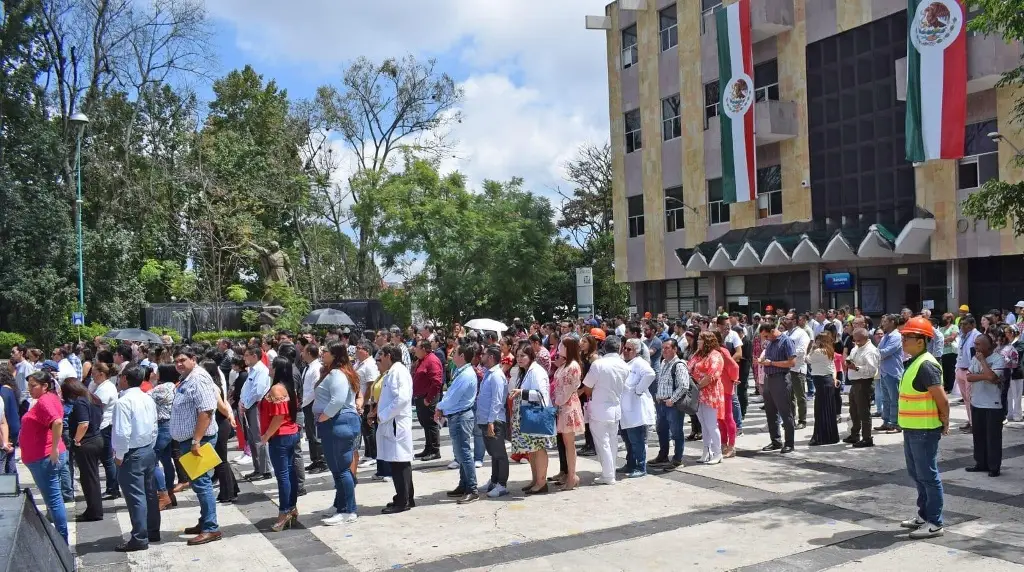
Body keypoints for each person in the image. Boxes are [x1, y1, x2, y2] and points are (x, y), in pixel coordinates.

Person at [897, 316, 950, 539]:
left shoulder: (926, 364)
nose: (903, 341)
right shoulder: (915, 361)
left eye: (906, 337)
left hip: (925, 430)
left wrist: (945, 420)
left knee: (928, 475)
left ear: (921, 341)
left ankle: (935, 522)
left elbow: (942, 399)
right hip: (912, 428)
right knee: (917, 474)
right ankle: (924, 514)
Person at [171, 348, 222, 546]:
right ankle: (205, 522)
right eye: (176, 361)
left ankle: (211, 527)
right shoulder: (188, 377)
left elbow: (206, 411)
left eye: (182, 360)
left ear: (193, 359)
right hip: (190, 441)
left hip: (199, 441)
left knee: (202, 484)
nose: (179, 364)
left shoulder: (198, 378)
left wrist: (196, 440)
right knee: (200, 483)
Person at [111, 366, 160, 551]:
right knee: (148, 493)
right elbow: (154, 425)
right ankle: (152, 530)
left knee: (136, 497)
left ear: (124, 378)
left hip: (133, 453)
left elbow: (122, 433)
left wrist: (119, 455)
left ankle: (139, 537)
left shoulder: (123, 402)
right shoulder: (147, 398)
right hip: (147, 448)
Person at [315, 343, 361, 525]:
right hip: (336, 422)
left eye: (325, 351)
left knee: (342, 469)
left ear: (334, 355)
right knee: (337, 468)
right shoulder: (337, 372)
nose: (322, 353)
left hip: (338, 422)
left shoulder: (337, 374)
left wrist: (323, 417)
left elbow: (337, 400)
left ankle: (348, 510)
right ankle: (339, 504)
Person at [21, 371, 69, 542]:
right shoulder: (49, 398)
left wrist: (54, 448)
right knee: (54, 500)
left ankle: (63, 541)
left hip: (44, 457)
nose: (30, 389)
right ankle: (56, 534)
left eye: (33, 386)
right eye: (29, 386)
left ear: (45, 386)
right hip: (44, 456)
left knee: (55, 500)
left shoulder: (45, 401)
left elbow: (57, 422)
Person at [262, 357, 303, 531]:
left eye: (272, 366)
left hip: (281, 436)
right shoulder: (286, 387)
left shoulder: (277, 389)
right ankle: (291, 507)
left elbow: (279, 417)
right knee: (290, 473)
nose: (269, 368)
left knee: (283, 475)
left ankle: (284, 511)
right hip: (290, 433)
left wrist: (266, 436)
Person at [436, 344, 481, 503]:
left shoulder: (466, 374)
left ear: (462, 356)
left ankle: (472, 489)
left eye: (454, 352)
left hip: (461, 416)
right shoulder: (461, 372)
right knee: (460, 453)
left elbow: (453, 398)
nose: (451, 355)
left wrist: (439, 406)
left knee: (464, 453)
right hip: (457, 415)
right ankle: (464, 484)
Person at [375, 344, 416, 513]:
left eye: (381, 356)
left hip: (394, 423)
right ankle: (405, 497)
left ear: (389, 356)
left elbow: (402, 399)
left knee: (399, 463)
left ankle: (403, 501)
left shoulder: (398, 372)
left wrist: (383, 415)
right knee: (398, 462)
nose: (379, 360)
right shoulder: (393, 372)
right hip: (391, 422)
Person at [510, 345, 554, 494]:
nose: (519, 359)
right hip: (528, 414)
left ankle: (542, 482)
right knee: (532, 449)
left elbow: (541, 394)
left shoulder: (536, 371)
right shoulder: (525, 372)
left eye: (523, 356)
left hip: (537, 414)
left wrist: (522, 392)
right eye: (517, 356)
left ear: (530, 356)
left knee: (538, 448)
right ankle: (536, 480)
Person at [62, 378, 105, 522]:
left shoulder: (80, 401)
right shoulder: (94, 398)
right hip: (96, 438)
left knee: (88, 479)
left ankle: (94, 511)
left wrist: (76, 440)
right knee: (92, 478)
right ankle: (94, 509)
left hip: (86, 441)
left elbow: (83, 424)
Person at [965, 333, 1005, 477]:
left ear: (988, 346)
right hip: (977, 402)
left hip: (993, 405)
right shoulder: (974, 359)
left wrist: (983, 363)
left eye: (978, 344)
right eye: (975, 344)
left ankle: (994, 467)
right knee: (979, 435)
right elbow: (969, 377)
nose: (976, 347)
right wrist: (985, 376)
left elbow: (993, 377)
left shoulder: (998, 359)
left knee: (992, 437)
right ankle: (980, 463)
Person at [758, 322, 797, 454]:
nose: (766, 338)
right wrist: (762, 360)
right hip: (769, 378)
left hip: (781, 378)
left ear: (773, 330)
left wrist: (772, 363)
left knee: (785, 412)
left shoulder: (786, 341)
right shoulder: (770, 342)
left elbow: (792, 362)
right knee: (770, 412)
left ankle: (789, 443)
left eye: (767, 335)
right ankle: (775, 441)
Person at [477, 346, 510, 497]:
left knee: (500, 454)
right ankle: (494, 481)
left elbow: (497, 401)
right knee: (494, 454)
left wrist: (491, 421)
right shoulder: (488, 374)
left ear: (490, 357)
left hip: (494, 420)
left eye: (483, 354)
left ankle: (502, 484)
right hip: (486, 419)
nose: (481, 356)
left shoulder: (496, 375)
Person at [620, 338, 657, 476]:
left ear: (636, 351)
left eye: (629, 349)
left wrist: (638, 389)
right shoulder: (626, 363)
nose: (626, 351)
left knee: (637, 440)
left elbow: (651, 374)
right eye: (625, 348)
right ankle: (630, 464)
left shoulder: (640, 363)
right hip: (626, 408)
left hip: (636, 409)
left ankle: (641, 467)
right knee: (628, 440)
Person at [551, 338, 584, 490]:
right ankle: (570, 475)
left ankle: (572, 476)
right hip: (562, 406)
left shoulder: (573, 366)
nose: (559, 348)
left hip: (568, 406)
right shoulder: (565, 365)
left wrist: (557, 401)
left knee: (569, 444)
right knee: (566, 444)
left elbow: (570, 389)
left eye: (562, 346)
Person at [652, 339, 690, 470]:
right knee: (661, 430)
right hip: (662, 403)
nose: (664, 350)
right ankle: (663, 455)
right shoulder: (663, 362)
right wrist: (658, 396)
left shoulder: (679, 364)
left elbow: (684, 386)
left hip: (672, 405)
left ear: (675, 349)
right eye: (663, 348)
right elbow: (661, 381)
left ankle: (677, 459)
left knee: (676, 432)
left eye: (667, 348)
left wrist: (672, 400)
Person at [688, 332, 725, 465]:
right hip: (698, 393)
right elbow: (689, 367)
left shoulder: (715, 355)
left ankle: (718, 453)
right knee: (703, 424)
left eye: (700, 340)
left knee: (711, 425)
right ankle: (706, 451)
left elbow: (711, 375)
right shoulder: (698, 354)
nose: (698, 341)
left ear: (708, 341)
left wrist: (697, 385)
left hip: (710, 393)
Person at [148, 365, 179, 509]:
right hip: (171, 425)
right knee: (166, 460)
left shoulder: (161, 388)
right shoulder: (175, 386)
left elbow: (145, 396)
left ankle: (163, 494)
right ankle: (170, 492)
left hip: (162, 426)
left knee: (152, 461)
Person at [240, 346, 272, 481]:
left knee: (259, 438)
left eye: (247, 355)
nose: (244, 358)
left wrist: (246, 404)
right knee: (252, 439)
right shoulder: (252, 370)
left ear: (254, 356)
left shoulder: (261, 370)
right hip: (248, 407)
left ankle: (265, 470)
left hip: (255, 406)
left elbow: (258, 391)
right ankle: (257, 467)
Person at [89, 362, 121, 500]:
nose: (92, 376)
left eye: (94, 373)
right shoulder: (100, 386)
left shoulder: (106, 388)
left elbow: (96, 404)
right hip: (103, 425)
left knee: (107, 459)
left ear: (101, 374)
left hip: (105, 426)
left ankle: (113, 488)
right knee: (106, 459)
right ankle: (112, 487)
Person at [845, 328, 880, 447]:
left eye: (858, 340)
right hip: (855, 382)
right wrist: (849, 361)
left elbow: (872, 370)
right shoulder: (857, 346)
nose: (856, 342)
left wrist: (856, 368)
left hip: (864, 383)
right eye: (854, 340)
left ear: (865, 338)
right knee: (854, 410)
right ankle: (855, 435)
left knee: (863, 411)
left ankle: (867, 438)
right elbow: (852, 356)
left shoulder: (870, 351)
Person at [411, 341, 443, 461]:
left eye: (417, 347)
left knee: (431, 423)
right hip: (421, 397)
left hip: (428, 398)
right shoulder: (422, 360)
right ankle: (428, 448)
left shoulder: (432, 360)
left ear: (424, 349)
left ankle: (435, 450)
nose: (415, 349)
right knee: (425, 423)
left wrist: (428, 399)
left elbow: (436, 382)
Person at [808, 333, 840, 446]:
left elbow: (807, 360)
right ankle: (831, 436)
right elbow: (833, 367)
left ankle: (820, 437)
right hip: (828, 380)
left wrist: (811, 348)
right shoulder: (829, 351)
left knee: (820, 410)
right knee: (828, 410)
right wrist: (834, 378)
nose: (816, 341)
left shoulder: (818, 351)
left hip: (821, 381)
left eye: (817, 340)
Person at [300, 343, 327, 474]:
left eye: (304, 351)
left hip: (312, 403)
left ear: (309, 353)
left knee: (315, 434)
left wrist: (303, 402)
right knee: (310, 433)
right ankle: (315, 459)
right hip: (306, 403)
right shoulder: (308, 367)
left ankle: (321, 461)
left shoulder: (316, 368)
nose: (302, 353)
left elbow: (314, 389)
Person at [877, 315, 905, 433]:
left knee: (895, 399)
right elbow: (879, 350)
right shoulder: (886, 336)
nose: (883, 323)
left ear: (892, 322)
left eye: (885, 321)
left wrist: (872, 353)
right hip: (884, 371)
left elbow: (885, 352)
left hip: (893, 372)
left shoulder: (897, 336)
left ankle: (896, 424)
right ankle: (886, 421)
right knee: (886, 399)